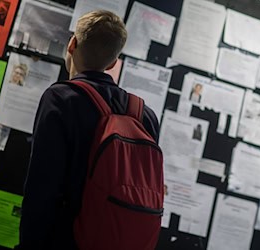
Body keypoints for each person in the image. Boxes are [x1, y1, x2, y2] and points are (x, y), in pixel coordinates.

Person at [17, 10, 160, 250]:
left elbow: (42, 186)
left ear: (72, 44)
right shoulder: (144, 114)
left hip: (67, 240)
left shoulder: (61, 98)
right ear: (114, 62)